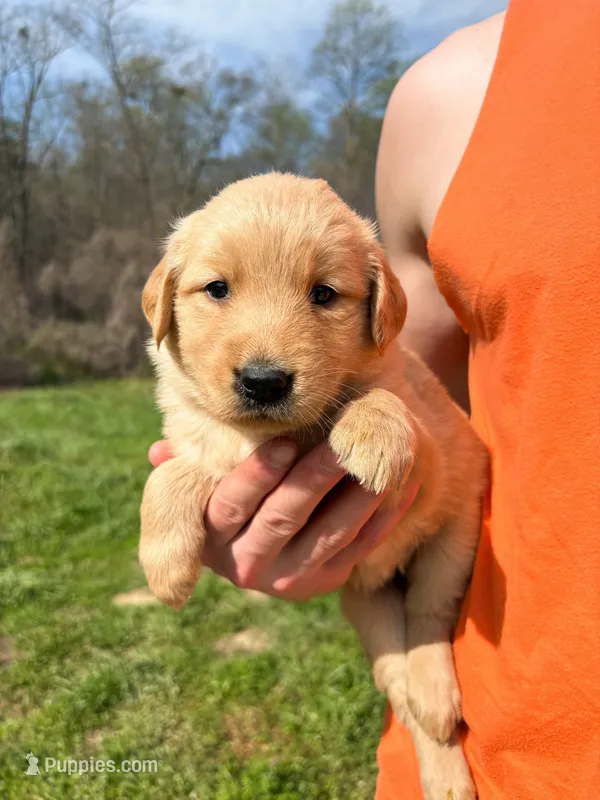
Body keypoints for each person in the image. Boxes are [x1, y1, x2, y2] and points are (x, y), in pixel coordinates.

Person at [149, 0, 600, 796]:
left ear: (368, 307)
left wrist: (375, 416)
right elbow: (427, 370)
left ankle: (418, 645)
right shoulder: (450, 95)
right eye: (216, 289)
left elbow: (409, 395)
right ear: (166, 303)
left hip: (494, 615)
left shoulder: (371, 337)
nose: (266, 356)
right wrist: (184, 492)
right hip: (501, 712)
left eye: (324, 295)